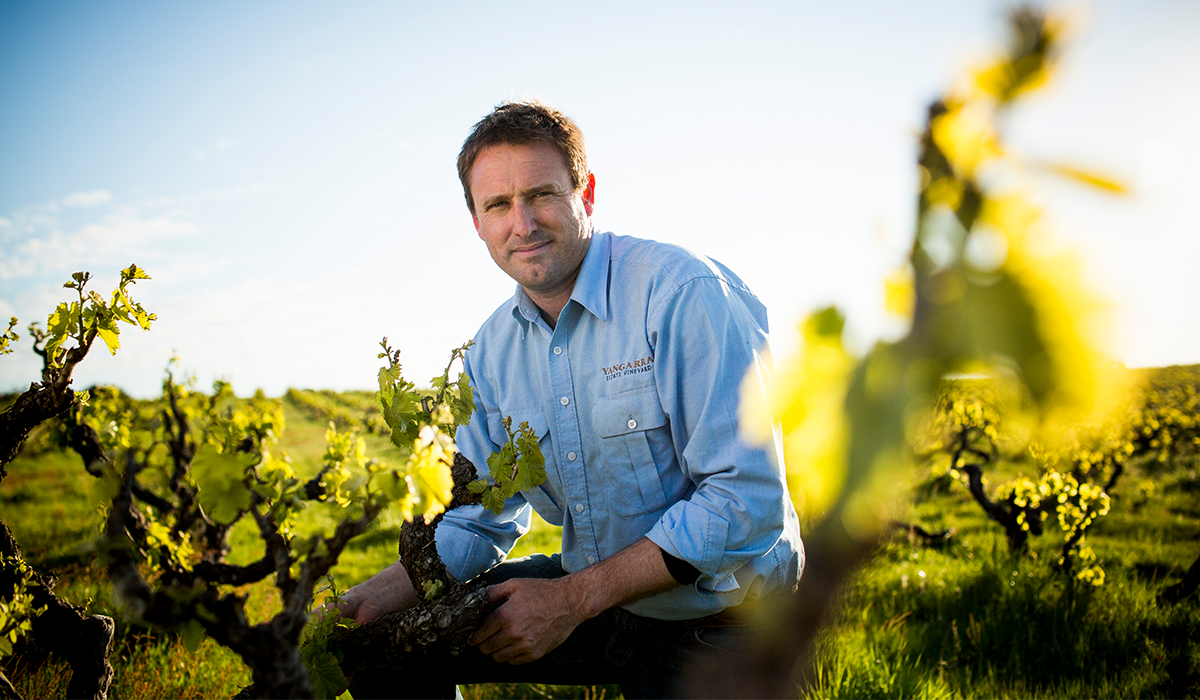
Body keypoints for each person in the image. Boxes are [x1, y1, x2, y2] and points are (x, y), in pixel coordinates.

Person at [336, 101, 804, 699]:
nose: (523, 224)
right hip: (601, 596)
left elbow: (745, 500)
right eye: (498, 205)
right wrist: (378, 595)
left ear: (586, 193)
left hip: (723, 619)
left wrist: (570, 600)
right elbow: (480, 515)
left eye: (541, 194)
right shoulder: (491, 353)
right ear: (476, 222)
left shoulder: (683, 294)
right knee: (386, 649)